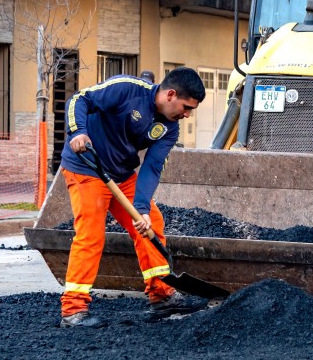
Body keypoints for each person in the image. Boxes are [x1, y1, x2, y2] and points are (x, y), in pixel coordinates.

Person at [58, 67, 206, 328]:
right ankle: (73, 310)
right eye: (186, 107)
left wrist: (141, 210)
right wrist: (78, 131)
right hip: (87, 167)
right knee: (91, 235)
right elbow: (79, 99)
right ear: (170, 94)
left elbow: (152, 167)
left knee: (151, 226)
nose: (187, 114)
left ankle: (161, 296)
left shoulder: (169, 128)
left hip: (121, 174)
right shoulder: (126, 89)